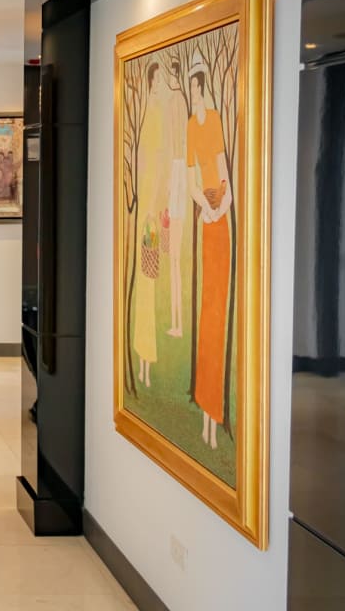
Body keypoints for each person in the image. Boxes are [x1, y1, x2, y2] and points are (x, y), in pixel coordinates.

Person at [186, 50, 231, 450]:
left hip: (221, 223)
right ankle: (205, 406)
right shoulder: (190, 126)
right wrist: (206, 205)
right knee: (207, 312)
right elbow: (191, 180)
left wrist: (222, 205)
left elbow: (224, 172)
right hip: (206, 217)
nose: (195, 92)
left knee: (218, 307)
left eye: (197, 86)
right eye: (192, 87)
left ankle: (215, 415)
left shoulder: (214, 121)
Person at [133, 62, 167, 388]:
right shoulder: (149, 116)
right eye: (155, 84)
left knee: (149, 278)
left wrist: (153, 207)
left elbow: (157, 164)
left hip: (150, 205)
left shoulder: (157, 118)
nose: (158, 89)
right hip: (146, 202)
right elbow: (147, 163)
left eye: (160, 85)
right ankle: (142, 354)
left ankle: (147, 355)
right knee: (144, 281)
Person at [164, 56, 189, 338]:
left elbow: (179, 147)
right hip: (175, 176)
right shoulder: (175, 102)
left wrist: (173, 183)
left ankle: (179, 322)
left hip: (179, 177)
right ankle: (176, 321)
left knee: (175, 258)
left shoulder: (177, 103)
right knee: (172, 258)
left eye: (174, 73)